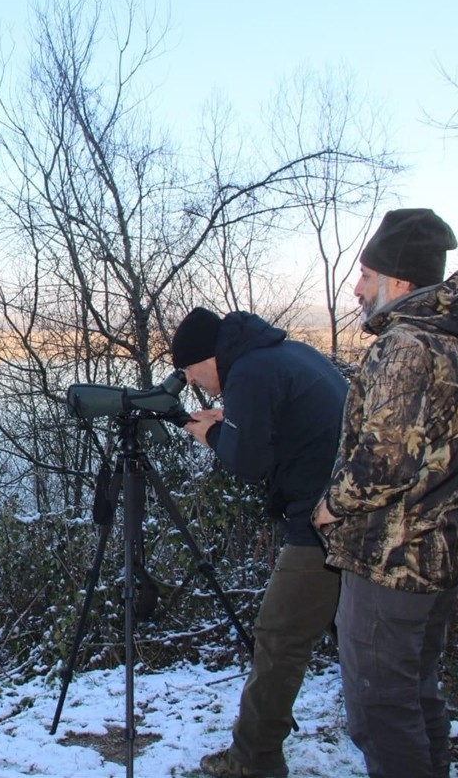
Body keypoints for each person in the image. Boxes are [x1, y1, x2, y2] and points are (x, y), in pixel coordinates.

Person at [313, 208, 458, 778]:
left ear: (397, 282)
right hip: (441, 557)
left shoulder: (406, 345)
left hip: (390, 562)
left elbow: (383, 463)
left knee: (381, 714)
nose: (357, 288)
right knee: (418, 698)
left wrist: (331, 505)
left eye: (366, 276)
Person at [171, 305, 347, 778]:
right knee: (360, 637)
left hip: (323, 524)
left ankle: (253, 760)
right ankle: (408, 734)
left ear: (208, 357)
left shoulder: (247, 371)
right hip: (354, 517)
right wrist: (233, 420)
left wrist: (211, 435)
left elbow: (248, 463)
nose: (193, 383)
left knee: (279, 637)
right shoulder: (282, 354)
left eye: (190, 371)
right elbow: (283, 427)